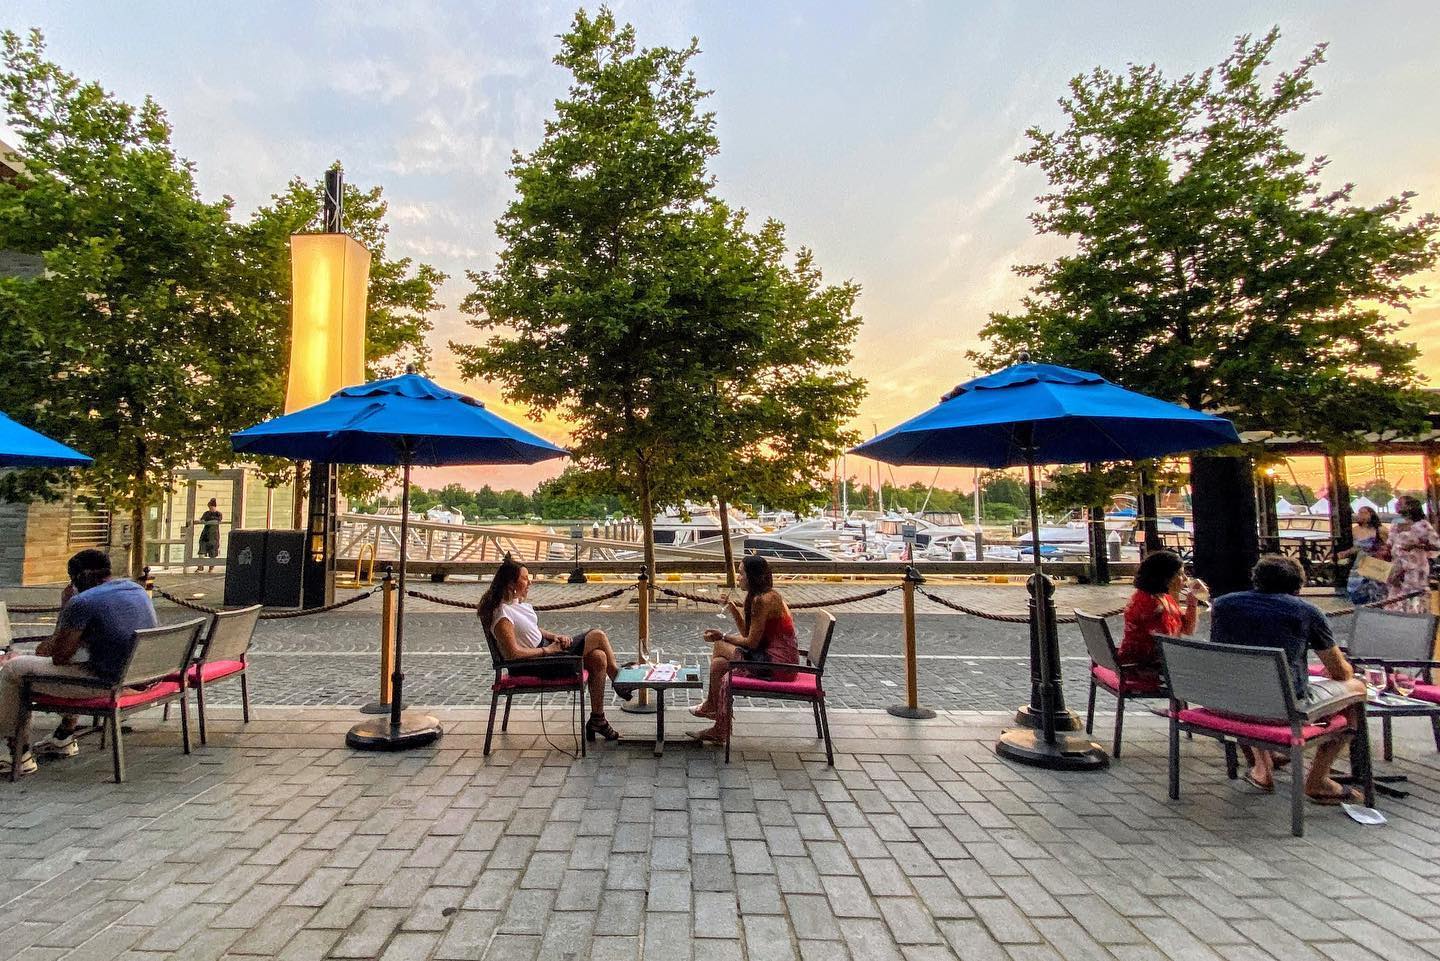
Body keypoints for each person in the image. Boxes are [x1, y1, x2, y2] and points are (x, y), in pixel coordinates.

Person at [1209, 554, 1365, 803]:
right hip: (1281, 705)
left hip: (1228, 700)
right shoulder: (1306, 612)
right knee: (1356, 689)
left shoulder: (1224, 605)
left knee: (1252, 682)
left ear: (1256, 579)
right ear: (1298, 586)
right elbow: (1339, 672)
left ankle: (1263, 765)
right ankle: (1319, 779)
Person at [0, 549, 158, 777]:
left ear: (81, 576)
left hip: (108, 683)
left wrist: (66, 608)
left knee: (13, 670)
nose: (70, 584)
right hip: (139, 675)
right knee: (71, 659)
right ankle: (64, 735)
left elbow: (57, 656)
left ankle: (18, 753)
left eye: (71, 578)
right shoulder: (135, 588)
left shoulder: (83, 602)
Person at [478, 556, 628, 743]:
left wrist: (554, 637)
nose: (529, 582)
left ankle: (598, 720)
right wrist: (548, 651)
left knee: (598, 657)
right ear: (511, 584)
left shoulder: (513, 605)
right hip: (538, 664)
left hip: (546, 655)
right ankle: (618, 680)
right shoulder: (502, 615)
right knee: (597, 635)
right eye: (525, 578)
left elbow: (532, 630)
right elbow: (513, 654)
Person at [688, 555, 800, 745]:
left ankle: (712, 707)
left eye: (741, 573)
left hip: (778, 665)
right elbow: (747, 633)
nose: (738, 578)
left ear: (752, 577)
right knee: (718, 665)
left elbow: (751, 643)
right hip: (774, 659)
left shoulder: (763, 601)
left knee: (719, 646)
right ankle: (718, 726)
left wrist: (722, 636)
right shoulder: (763, 597)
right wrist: (732, 608)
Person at [1117, 550, 1203, 675]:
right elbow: (1169, 643)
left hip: (1149, 659)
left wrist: (1192, 603)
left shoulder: (1161, 597)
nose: (1185, 578)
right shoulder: (1151, 605)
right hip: (1142, 666)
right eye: (1180, 574)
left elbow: (1187, 629)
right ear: (1166, 577)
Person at [1387, 495, 1438, 613]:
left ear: (1410, 506)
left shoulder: (1423, 525)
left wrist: (1416, 546)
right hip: (1398, 567)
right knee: (1396, 597)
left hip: (1416, 569)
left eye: (1401, 503)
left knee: (1415, 598)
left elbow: (1436, 545)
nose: (1398, 505)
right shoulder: (1395, 523)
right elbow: (1390, 544)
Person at [1339, 504, 1389, 606]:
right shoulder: (1356, 530)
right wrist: (1345, 553)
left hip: (1375, 561)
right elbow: (1356, 547)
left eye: (1364, 513)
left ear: (1371, 514)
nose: (1361, 515)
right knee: (1355, 586)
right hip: (1360, 561)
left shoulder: (1380, 530)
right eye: (1359, 513)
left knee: (1375, 588)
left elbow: (1388, 546)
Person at [197, 498, 223, 573]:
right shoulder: (206, 513)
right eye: (209, 507)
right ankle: (200, 567)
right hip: (205, 534)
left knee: (213, 552)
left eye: (212, 507)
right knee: (201, 551)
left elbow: (217, 521)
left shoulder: (218, 514)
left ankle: (211, 568)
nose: (210, 509)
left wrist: (208, 522)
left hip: (214, 535)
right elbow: (202, 520)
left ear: (215, 507)